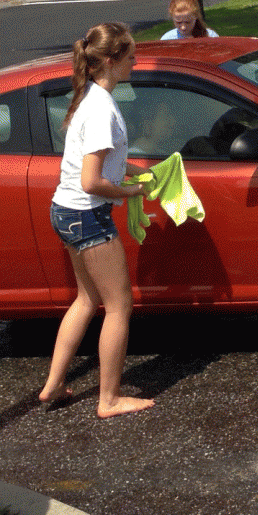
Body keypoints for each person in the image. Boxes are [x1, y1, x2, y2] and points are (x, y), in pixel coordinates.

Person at [40, 23, 156, 419]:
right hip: (86, 214)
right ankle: (108, 400)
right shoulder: (101, 108)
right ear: (110, 61)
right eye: (131, 56)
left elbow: (93, 169)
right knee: (119, 305)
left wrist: (130, 175)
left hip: (66, 210)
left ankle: (54, 384)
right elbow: (92, 181)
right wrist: (130, 192)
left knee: (87, 298)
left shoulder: (90, 96)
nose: (136, 62)